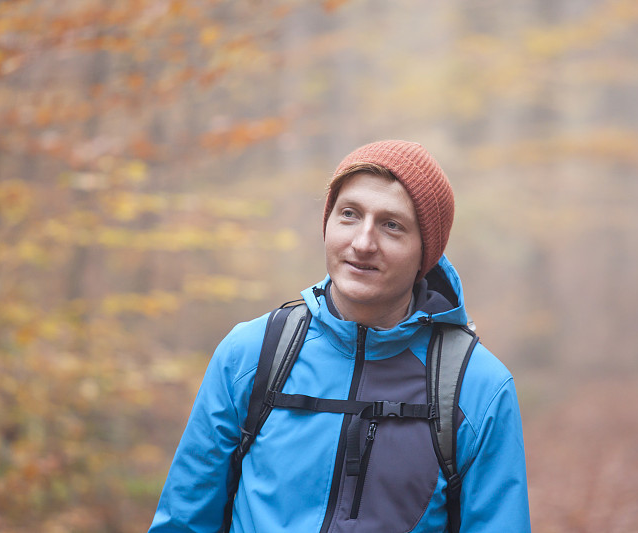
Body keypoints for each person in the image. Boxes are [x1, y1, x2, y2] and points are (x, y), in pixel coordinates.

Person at [148, 140, 531, 532]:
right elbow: (183, 522)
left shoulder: (477, 387)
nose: (363, 243)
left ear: (425, 253)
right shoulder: (251, 354)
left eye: (392, 225)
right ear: (328, 222)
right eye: (349, 214)